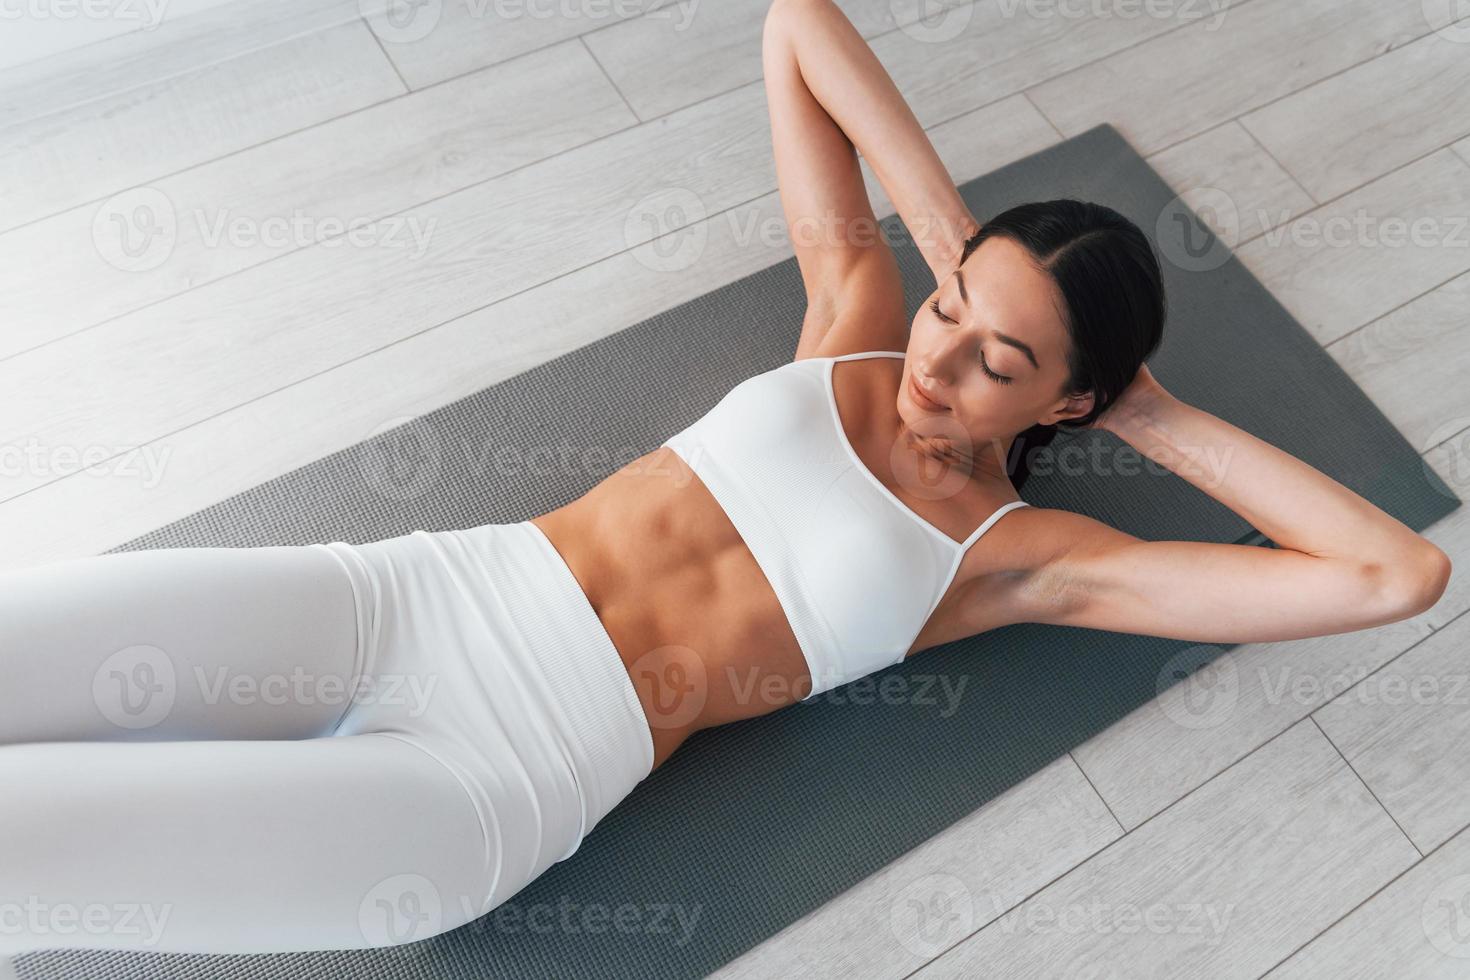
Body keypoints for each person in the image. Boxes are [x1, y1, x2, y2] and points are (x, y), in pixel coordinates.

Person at [0, 0, 1449, 959]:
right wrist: (946, 238)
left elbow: (1392, 575)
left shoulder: (1022, 554)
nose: (937, 365)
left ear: (1063, 399)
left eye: (999, 362)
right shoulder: (855, 328)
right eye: (951, 309)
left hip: (486, 783)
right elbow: (795, 24)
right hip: (410, 601)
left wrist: (1147, 412)